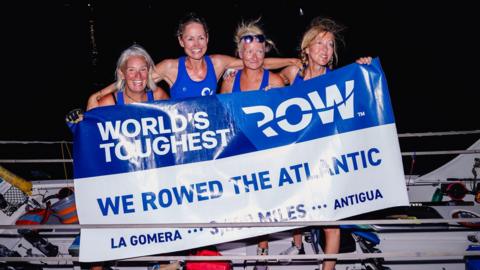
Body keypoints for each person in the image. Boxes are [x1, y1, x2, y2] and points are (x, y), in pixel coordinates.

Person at [278, 17, 371, 270]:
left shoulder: (339, 78)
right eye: (319, 43)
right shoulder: (292, 73)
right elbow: (260, 74)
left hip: (327, 160)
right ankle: (297, 244)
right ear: (306, 48)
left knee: (332, 222)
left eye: (330, 45)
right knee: (297, 209)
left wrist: (365, 68)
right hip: (297, 159)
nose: (325, 49)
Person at [66, 44, 169, 270]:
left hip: (150, 180)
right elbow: (90, 140)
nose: (138, 76)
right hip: (118, 182)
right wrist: (78, 125)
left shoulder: (158, 96)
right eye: (131, 70)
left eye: (143, 69)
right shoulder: (109, 102)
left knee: (168, 239)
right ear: (121, 74)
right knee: (101, 241)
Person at [87, 12, 299, 109]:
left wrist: (291, 60)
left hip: (210, 137)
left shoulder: (216, 63)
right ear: (181, 41)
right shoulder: (170, 67)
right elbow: (137, 79)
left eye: (200, 38)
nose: (196, 44)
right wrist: (100, 94)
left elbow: (252, 62)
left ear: (207, 39)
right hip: (183, 138)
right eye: (190, 38)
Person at [219, 19, 285, 270]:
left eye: (259, 51)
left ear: (265, 52)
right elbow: (221, 116)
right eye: (249, 52)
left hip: (265, 149)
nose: (254, 56)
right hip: (239, 146)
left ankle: (262, 248)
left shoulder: (276, 81)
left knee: (263, 199)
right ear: (240, 53)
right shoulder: (229, 80)